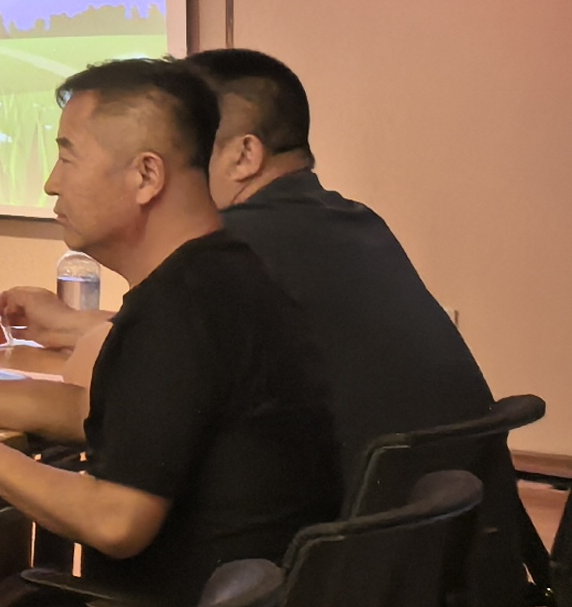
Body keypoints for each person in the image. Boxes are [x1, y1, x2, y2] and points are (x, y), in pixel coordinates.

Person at [0, 57, 339, 607]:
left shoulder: (180, 311)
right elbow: (90, 410)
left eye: (68, 156)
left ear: (146, 176)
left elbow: (116, 521)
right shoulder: (222, 277)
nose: (51, 182)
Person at [192, 46, 494, 491]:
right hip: (456, 517)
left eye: (179, 147)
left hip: (360, 522)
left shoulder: (230, 247)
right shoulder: (355, 221)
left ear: (243, 156)